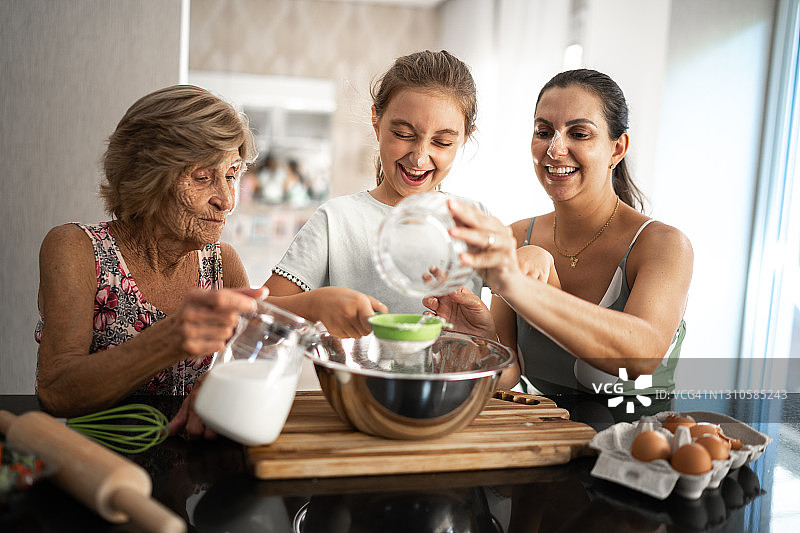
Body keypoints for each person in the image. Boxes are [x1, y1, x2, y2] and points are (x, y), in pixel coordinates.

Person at [426, 69, 693, 396]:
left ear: (617, 148)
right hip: (544, 438)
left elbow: (640, 356)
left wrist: (517, 285)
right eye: (544, 131)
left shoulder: (663, 245)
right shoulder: (517, 236)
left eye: (579, 133)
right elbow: (508, 375)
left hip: (636, 445)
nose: (555, 149)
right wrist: (480, 342)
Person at [35, 85, 264, 437]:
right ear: (147, 176)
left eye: (231, 175)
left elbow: (255, 359)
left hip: (187, 472)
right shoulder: (76, 249)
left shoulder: (222, 264)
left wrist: (223, 386)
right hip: (96, 463)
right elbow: (56, 390)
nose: (226, 200)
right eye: (202, 177)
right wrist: (165, 341)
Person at [264, 50, 485, 332]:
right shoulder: (337, 220)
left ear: (465, 138)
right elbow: (260, 314)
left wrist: (536, 259)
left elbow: (511, 356)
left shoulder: (475, 219)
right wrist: (313, 305)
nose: (419, 157)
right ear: (377, 122)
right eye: (403, 135)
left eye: (441, 142)